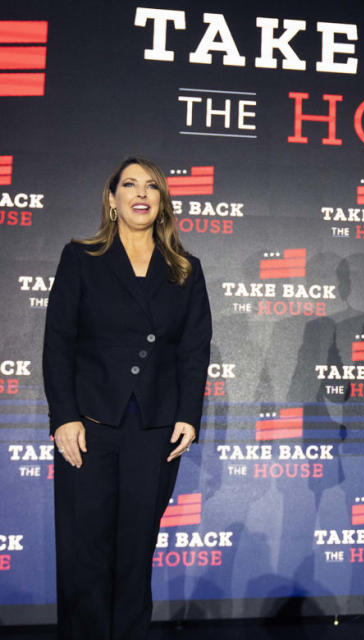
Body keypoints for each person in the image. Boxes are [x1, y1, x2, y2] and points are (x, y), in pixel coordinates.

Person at [43, 157, 212, 639]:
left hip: (155, 428)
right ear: (112, 199)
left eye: (152, 186)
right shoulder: (81, 258)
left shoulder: (185, 269)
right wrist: (64, 417)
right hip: (90, 424)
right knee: (85, 549)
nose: (141, 192)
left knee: (137, 550)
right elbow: (58, 342)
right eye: (130, 184)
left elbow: (194, 349)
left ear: (161, 203)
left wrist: (188, 415)